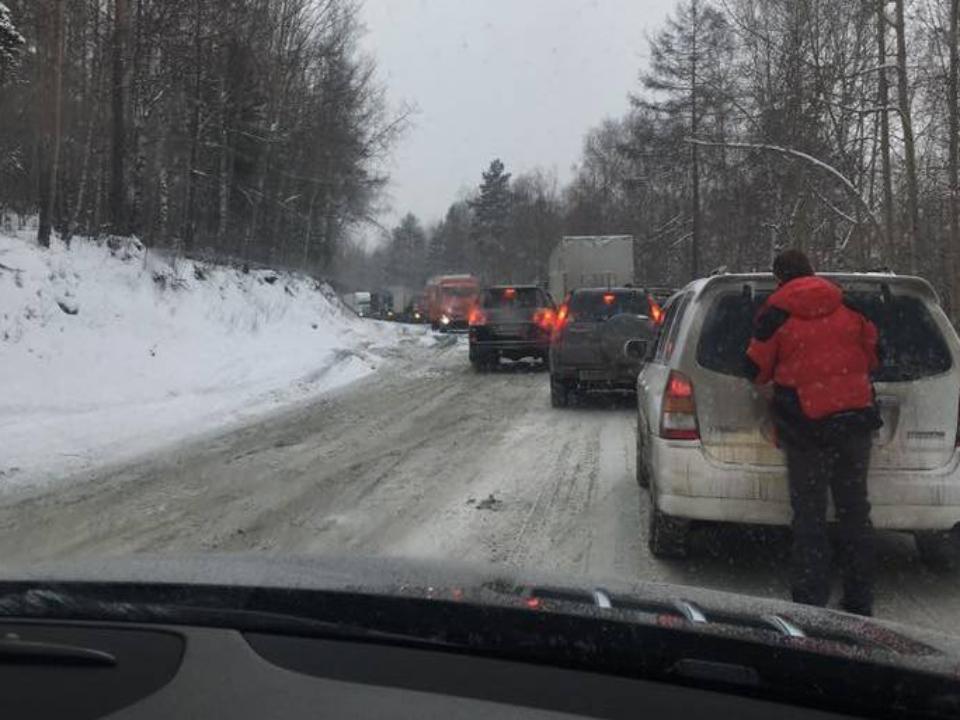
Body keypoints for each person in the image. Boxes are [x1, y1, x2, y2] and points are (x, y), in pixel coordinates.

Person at [744, 249, 882, 616]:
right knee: (855, 512)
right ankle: (859, 601)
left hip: (805, 426)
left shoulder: (774, 313)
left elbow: (756, 367)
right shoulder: (847, 303)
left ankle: (810, 604)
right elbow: (875, 353)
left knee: (809, 516)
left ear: (779, 278)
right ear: (812, 271)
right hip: (855, 421)